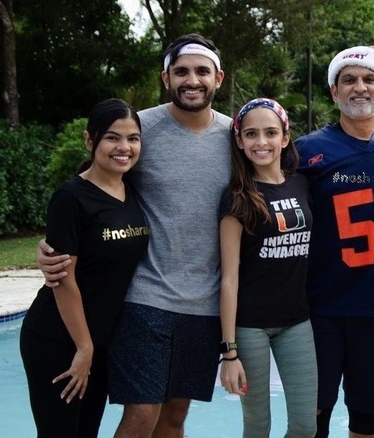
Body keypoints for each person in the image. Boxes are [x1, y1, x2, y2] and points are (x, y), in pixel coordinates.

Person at [37, 33, 232, 437]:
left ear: (218, 78)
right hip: (145, 297)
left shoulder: (237, 137)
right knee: (142, 414)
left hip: (206, 303)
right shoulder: (138, 127)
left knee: (176, 415)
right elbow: (89, 187)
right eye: (181, 72)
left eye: (201, 71)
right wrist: (56, 244)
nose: (191, 80)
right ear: (166, 78)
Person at [295, 45, 374, 438]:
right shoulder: (305, 152)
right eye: (348, 79)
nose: (359, 87)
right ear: (334, 92)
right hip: (318, 310)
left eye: (369, 79)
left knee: (368, 417)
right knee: (312, 416)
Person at [20, 98, 149, 437]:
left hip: (100, 342)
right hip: (59, 339)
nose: (124, 147)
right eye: (112, 138)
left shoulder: (132, 188)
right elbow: (63, 279)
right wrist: (84, 348)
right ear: (90, 141)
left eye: (133, 138)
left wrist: (94, 348)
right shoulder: (72, 197)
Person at [218, 98, 317, 438]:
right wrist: (229, 352)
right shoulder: (237, 197)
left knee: (306, 427)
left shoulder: (301, 184)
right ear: (240, 141)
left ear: (285, 137)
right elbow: (229, 279)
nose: (261, 142)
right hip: (250, 328)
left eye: (270, 132)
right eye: (252, 134)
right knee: (258, 426)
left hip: (296, 322)